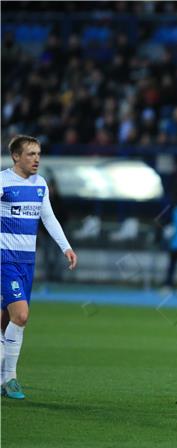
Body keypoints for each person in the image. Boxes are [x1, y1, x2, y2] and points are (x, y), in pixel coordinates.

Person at [1, 135, 77, 400]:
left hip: (26, 262)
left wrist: (65, 247)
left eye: (38, 154)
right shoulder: (2, 181)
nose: (37, 159)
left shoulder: (40, 184)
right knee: (21, 316)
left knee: (6, 321)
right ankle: (10, 378)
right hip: (4, 260)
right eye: (31, 154)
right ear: (16, 157)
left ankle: (4, 377)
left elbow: (48, 218)